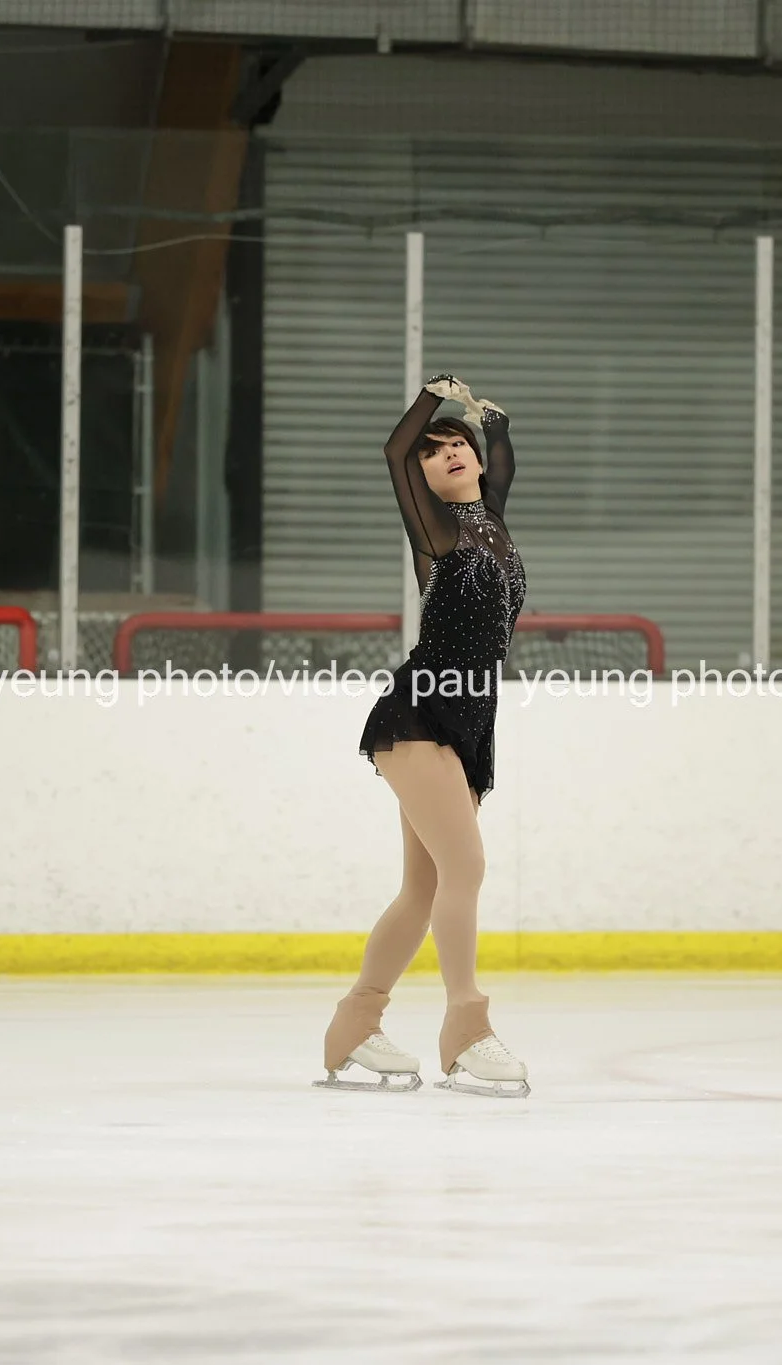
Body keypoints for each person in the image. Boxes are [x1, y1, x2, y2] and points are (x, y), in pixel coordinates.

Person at [313, 374, 530, 1099]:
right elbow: (395, 451)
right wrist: (433, 398)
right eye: (433, 453)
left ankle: (354, 1025)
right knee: (465, 868)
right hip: (418, 714)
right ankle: (467, 1026)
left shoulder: (493, 522)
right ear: (424, 480)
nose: (449, 455)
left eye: (457, 445)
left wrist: (490, 421)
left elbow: (501, 458)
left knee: (423, 888)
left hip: (470, 724)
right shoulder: (436, 533)